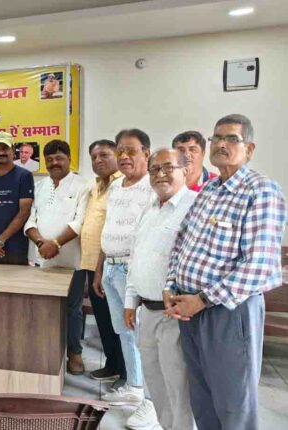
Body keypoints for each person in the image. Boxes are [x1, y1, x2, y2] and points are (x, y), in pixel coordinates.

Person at [164, 114, 286, 430]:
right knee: (202, 399)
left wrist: (202, 300)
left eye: (232, 138)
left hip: (229, 313)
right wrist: (171, 286)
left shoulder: (261, 191)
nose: (221, 144)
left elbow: (260, 265)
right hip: (189, 310)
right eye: (217, 137)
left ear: (250, 149)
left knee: (233, 406)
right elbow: (181, 243)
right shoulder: (209, 191)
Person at [123, 149, 196, 430]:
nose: (160, 174)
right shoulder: (150, 208)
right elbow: (136, 257)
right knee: (155, 384)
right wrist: (130, 300)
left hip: (174, 315)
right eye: (154, 169)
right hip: (147, 311)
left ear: (185, 171)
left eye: (168, 168)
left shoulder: (194, 206)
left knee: (178, 385)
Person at [96, 129, 155, 426]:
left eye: (131, 150)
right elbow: (108, 228)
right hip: (111, 266)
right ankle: (134, 386)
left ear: (146, 153)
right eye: (120, 151)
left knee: (141, 333)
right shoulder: (117, 186)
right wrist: (100, 269)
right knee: (123, 331)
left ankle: (148, 397)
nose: (124, 156)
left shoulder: (152, 186)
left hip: (133, 270)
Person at [24, 139, 91, 374]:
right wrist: (41, 243)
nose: (54, 163)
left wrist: (56, 243)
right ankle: (48, 352)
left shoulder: (83, 185)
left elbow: (80, 221)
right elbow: (30, 220)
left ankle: (74, 354)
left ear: (69, 159)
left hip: (71, 261)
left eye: (59, 158)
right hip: (43, 260)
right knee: (45, 308)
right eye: (50, 159)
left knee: (72, 310)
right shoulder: (40, 186)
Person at [80, 140, 126, 388]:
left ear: (117, 155)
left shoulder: (122, 185)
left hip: (110, 265)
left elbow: (114, 231)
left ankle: (126, 373)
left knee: (119, 322)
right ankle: (112, 365)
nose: (98, 160)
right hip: (90, 264)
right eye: (94, 157)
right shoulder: (95, 186)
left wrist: (99, 271)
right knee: (104, 320)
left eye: (104, 155)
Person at [0, 132, 34, 265]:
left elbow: (24, 212)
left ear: (13, 150)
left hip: (14, 249)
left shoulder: (24, 176)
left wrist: (0, 241)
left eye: (5, 148)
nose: (1, 152)